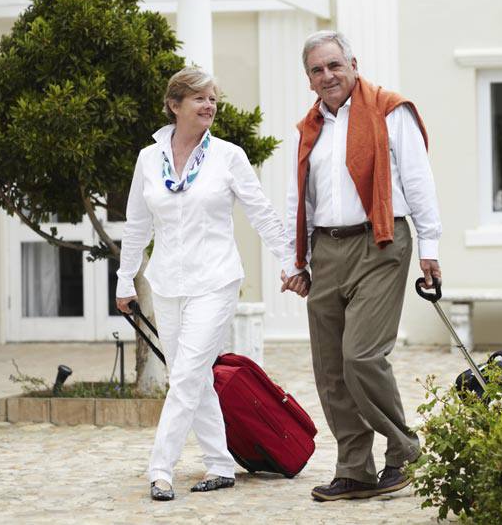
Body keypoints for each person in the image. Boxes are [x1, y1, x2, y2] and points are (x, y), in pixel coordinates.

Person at [281, 31, 442, 502]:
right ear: (309, 79)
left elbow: (418, 181)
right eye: (317, 70)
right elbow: (300, 197)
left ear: (353, 63)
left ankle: (405, 452)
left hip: (381, 241)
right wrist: (297, 260)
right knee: (331, 367)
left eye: (334, 65)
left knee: (361, 356)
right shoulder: (309, 127)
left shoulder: (392, 111)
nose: (327, 75)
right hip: (325, 249)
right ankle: (354, 468)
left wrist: (430, 250)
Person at [115, 67, 289, 501]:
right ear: (175, 105)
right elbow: (137, 224)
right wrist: (124, 280)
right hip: (167, 282)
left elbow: (262, 213)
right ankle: (219, 463)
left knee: (188, 373)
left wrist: (290, 262)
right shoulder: (147, 159)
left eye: (213, 98)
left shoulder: (228, 156)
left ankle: (160, 469)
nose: (210, 105)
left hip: (215, 279)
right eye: (199, 98)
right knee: (191, 375)